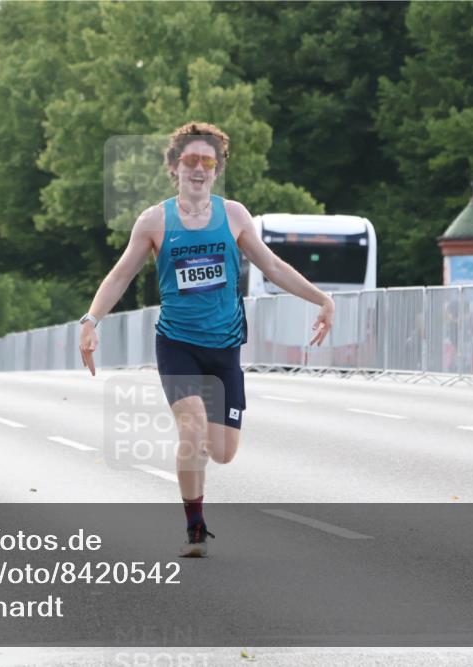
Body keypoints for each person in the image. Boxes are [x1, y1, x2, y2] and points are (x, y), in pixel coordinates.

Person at [79, 122, 335, 557]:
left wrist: (321, 298)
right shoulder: (154, 221)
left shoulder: (233, 215)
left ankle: (198, 485)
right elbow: (122, 273)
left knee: (222, 451)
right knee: (193, 428)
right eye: (190, 160)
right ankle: (195, 526)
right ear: (175, 166)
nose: (199, 169)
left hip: (225, 346)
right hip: (177, 343)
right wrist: (91, 320)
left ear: (217, 170)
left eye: (208, 162)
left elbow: (271, 265)